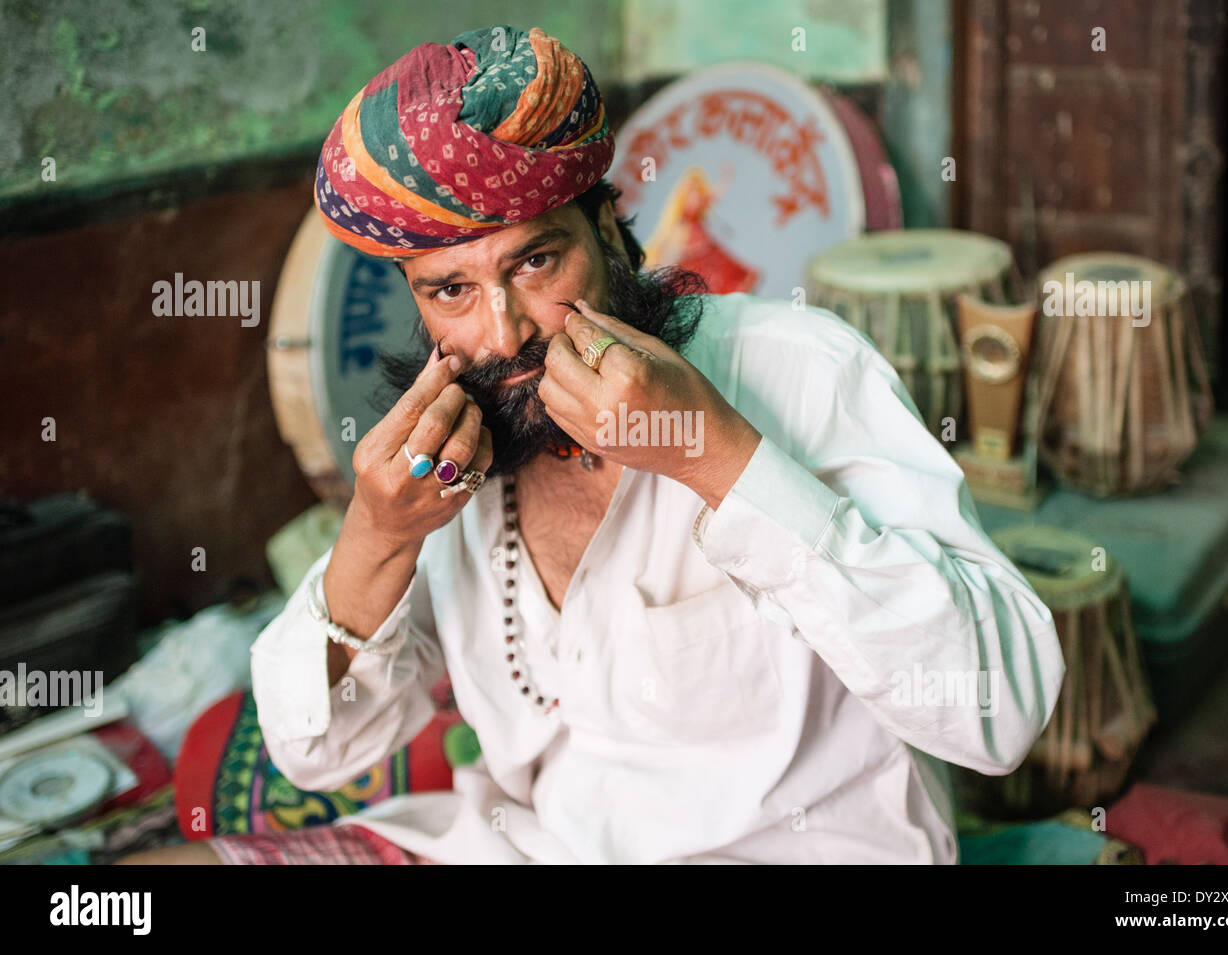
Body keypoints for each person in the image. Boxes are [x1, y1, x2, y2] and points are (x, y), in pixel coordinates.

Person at [120, 24, 1063, 865]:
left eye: (534, 262)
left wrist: (715, 455)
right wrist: (377, 535)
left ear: (611, 230)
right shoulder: (457, 442)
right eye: (448, 290)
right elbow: (314, 747)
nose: (501, 334)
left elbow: (1001, 710)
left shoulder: (800, 368)